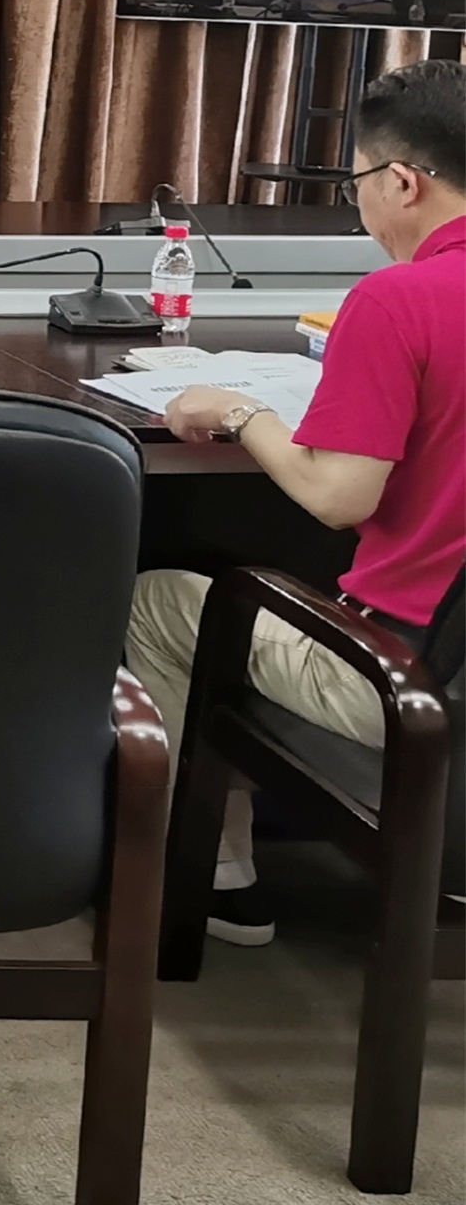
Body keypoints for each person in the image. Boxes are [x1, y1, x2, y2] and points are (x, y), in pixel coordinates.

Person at [133, 58, 464, 946]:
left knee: (158, 601)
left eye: (358, 185)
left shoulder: (399, 300)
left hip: (409, 681)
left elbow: (336, 496)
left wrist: (242, 414)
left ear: (402, 182)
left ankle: (205, 875)